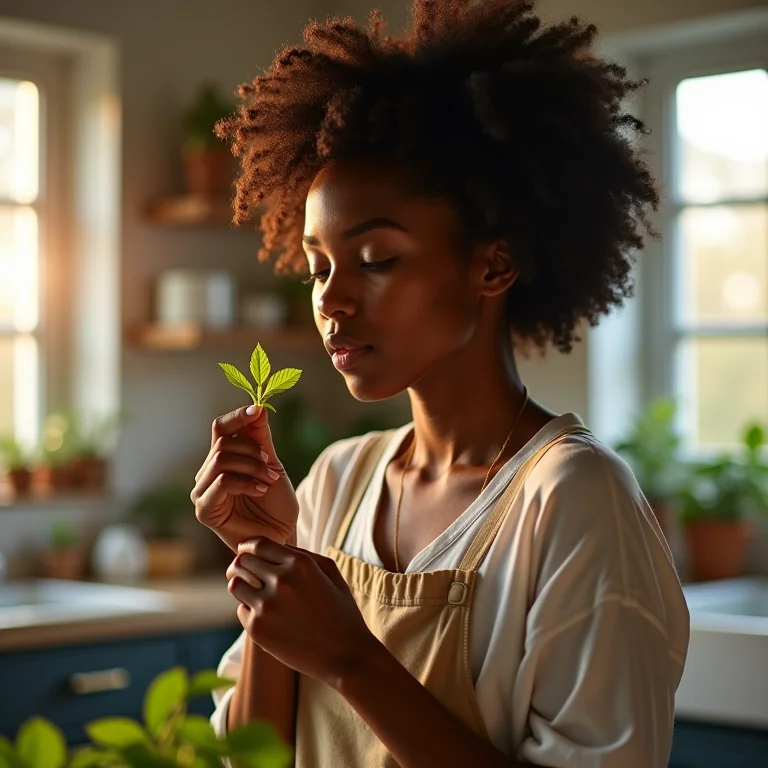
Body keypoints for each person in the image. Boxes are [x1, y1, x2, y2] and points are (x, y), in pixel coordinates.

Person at [190, 0, 690, 765]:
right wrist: (268, 549)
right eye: (319, 265)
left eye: (376, 259)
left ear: (493, 264)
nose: (331, 299)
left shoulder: (572, 501)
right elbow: (253, 756)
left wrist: (353, 661)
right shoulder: (336, 482)